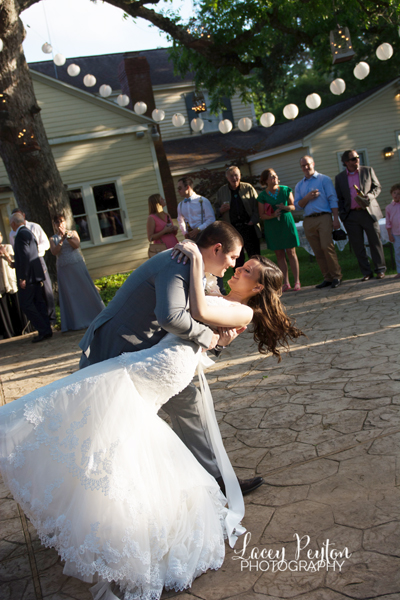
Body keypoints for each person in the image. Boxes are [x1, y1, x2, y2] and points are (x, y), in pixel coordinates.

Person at [0, 236, 303, 600]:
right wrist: (196, 263)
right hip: (159, 357)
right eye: (239, 262)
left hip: (163, 364)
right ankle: (123, 519)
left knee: (97, 404)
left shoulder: (243, 311)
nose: (238, 268)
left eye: (247, 269)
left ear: (256, 288)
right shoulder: (218, 288)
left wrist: (192, 259)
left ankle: (127, 522)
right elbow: (201, 312)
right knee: (124, 426)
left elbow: (200, 312)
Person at [335, 150, 386, 281]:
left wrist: (368, 196)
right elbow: (339, 198)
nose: (357, 160)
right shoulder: (340, 178)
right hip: (351, 215)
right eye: (353, 159)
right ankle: (366, 272)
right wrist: (343, 215)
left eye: (357, 157)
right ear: (346, 162)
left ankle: (380, 270)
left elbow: (377, 187)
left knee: (375, 242)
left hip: (368, 212)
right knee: (358, 245)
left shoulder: (367, 171)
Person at [50, 214, 104, 332]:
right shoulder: (53, 238)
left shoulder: (72, 232)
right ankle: (75, 321)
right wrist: (61, 240)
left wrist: (67, 236)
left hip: (76, 264)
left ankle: (95, 314)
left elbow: (76, 245)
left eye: (62, 221)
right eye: (57, 222)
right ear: (54, 225)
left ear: (65, 222)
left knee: (84, 289)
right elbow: (54, 252)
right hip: (64, 268)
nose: (60, 224)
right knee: (70, 293)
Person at [294, 155, 342, 289]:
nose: (306, 167)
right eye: (303, 166)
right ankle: (327, 277)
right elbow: (297, 205)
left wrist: (336, 218)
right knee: (317, 250)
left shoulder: (324, 179)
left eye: (308, 164)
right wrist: (308, 197)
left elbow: (333, 199)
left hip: (324, 217)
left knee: (327, 246)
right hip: (308, 220)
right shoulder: (299, 185)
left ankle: (337, 276)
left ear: (313, 164)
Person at [8, 212, 52, 342]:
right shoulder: (28, 232)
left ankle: (43, 329)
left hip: (29, 277)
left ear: (14, 223)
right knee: (38, 303)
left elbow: (26, 256)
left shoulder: (20, 235)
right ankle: (46, 330)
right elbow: (28, 256)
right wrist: (15, 264)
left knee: (26, 304)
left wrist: (23, 277)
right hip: (35, 275)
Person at [257, 168, 301, 292]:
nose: (275, 178)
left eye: (275, 176)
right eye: (271, 176)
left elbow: (294, 206)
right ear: (265, 180)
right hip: (273, 226)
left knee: (291, 252)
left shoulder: (286, 190)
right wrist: (272, 215)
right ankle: (286, 283)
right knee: (279, 254)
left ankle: (297, 281)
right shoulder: (262, 196)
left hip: (286, 223)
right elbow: (262, 215)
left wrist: (285, 207)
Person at [214, 166, 261, 267]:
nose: (234, 178)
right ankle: (239, 281)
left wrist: (253, 220)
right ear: (227, 178)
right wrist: (220, 210)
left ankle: (258, 280)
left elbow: (257, 206)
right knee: (236, 260)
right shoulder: (222, 191)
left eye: (236, 175)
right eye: (231, 176)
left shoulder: (248, 188)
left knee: (255, 258)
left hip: (249, 227)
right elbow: (215, 209)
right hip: (232, 230)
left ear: (240, 176)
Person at [0, 231, 30, 338]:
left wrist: (5, 254)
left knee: (17, 303)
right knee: (5, 308)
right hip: (1, 283)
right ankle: (9, 331)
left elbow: (13, 261)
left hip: (11, 279)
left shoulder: (7, 247)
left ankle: (23, 328)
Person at [385, 183, 400, 279]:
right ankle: (399, 271)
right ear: (391, 193)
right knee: (398, 252)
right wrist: (390, 234)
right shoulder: (389, 208)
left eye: (399, 193)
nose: (396, 195)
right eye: (394, 193)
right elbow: (388, 223)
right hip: (395, 233)